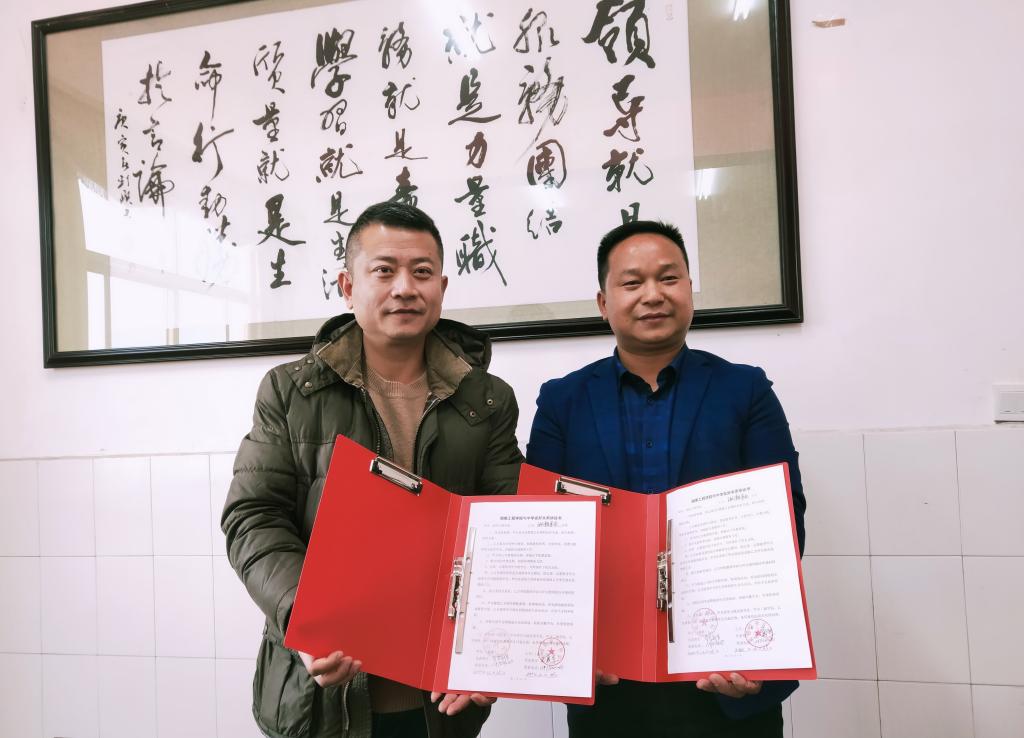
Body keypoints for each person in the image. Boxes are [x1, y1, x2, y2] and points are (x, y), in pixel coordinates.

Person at [222, 202, 523, 738]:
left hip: (440, 700)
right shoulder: (291, 392)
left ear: (442, 288)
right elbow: (253, 518)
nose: (405, 287)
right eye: (384, 270)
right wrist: (306, 618)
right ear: (348, 285)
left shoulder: (487, 400)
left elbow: (508, 531)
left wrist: (490, 651)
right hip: (319, 694)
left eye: (422, 272)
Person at [526, 220, 806, 738]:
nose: (653, 295)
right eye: (632, 282)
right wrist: (567, 648)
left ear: (690, 290)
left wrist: (754, 648)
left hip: (726, 672)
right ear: (603, 302)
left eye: (669, 278)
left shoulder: (745, 390)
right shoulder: (562, 401)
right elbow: (542, 531)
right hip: (608, 676)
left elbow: (785, 519)